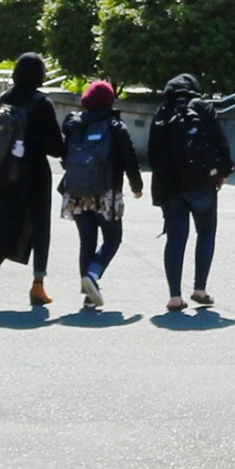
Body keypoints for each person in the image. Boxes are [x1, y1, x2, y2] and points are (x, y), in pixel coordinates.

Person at [0, 53, 66, 307]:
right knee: (40, 226)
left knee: (7, 221)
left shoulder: (5, 98)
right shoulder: (42, 103)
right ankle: (38, 285)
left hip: (3, 172)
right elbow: (55, 147)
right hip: (33, 174)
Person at [148, 73, 232, 314]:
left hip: (172, 187)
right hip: (202, 183)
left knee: (175, 239)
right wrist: (223, 172)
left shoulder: (162, 112)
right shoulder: (202, 108)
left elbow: (152, 153)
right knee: (206, 233)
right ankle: (200, 289)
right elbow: (220, 143)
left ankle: (175, 296)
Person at [59, 80, 143, 310]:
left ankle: (88, 294)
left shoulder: (73, 124)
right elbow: (129, 159)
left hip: (76, 192)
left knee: (87, 240)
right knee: (113, 238)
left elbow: (64, 157)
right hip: (107, 192)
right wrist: (137, 186)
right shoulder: (115, 126)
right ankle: (93, 275)